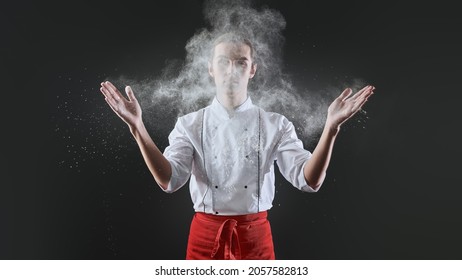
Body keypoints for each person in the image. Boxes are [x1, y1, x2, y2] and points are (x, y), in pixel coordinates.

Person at [99, 32, 375, 260]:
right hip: (205, 239)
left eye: (241, 62)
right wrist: (137, 126)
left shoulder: (275, 125)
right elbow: (169, 181)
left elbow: (309, 181)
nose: (231, 70)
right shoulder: (189, 124)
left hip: (255, 239)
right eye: (222, 62)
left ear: (252, 69)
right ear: (210, 68)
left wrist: (331, 128)